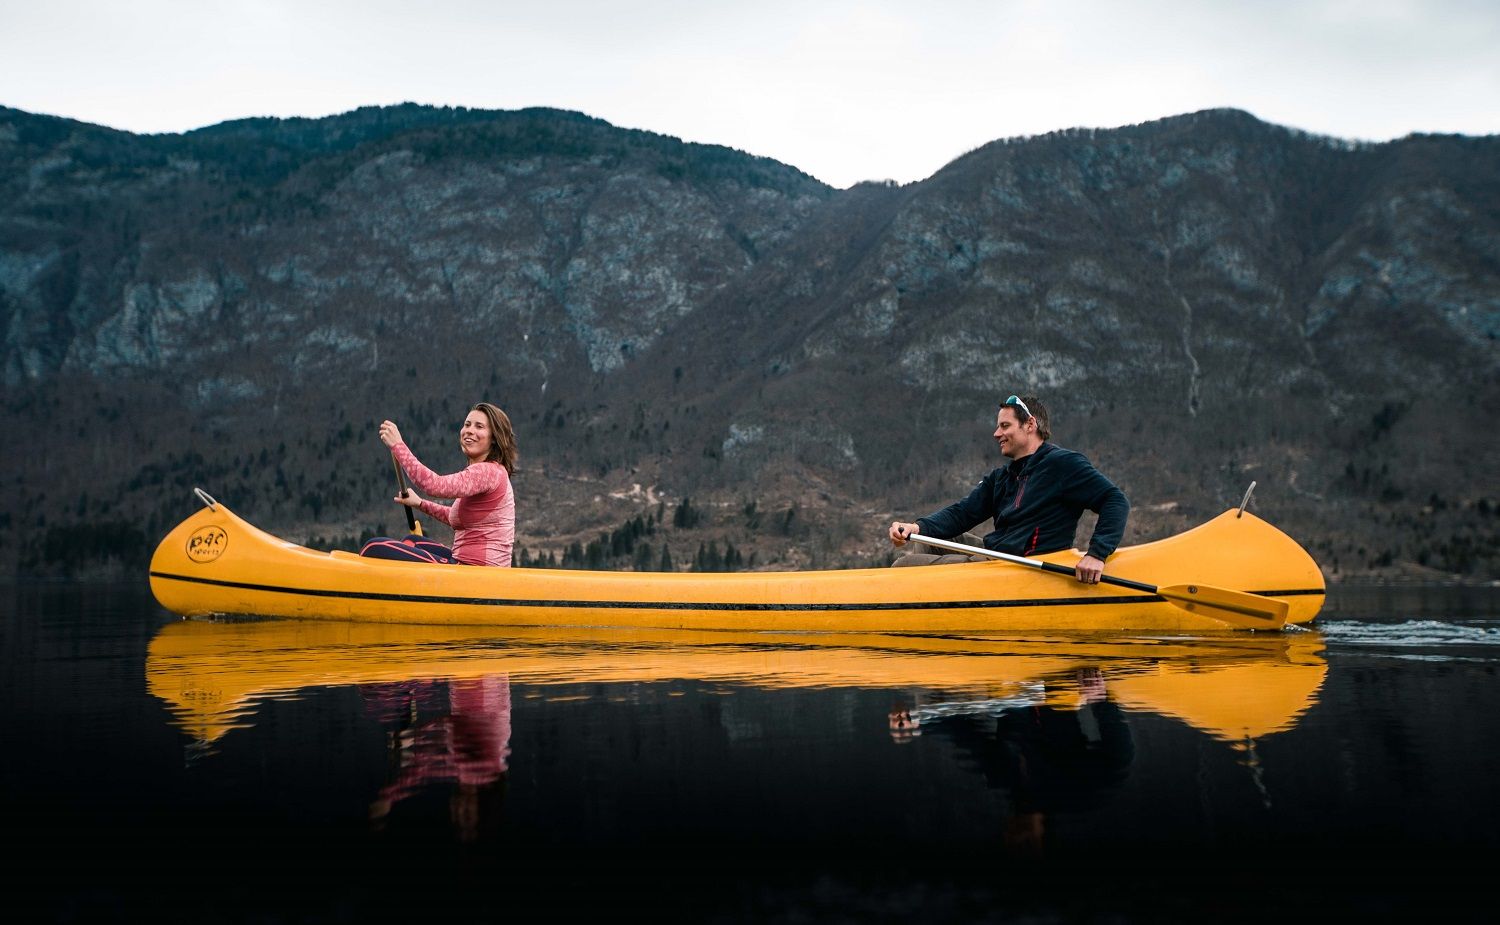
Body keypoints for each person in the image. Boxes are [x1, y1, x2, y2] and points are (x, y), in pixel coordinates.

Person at [888, 394, 1128, 583]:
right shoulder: (1002, 476)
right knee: (925, 537)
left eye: (1004, 425)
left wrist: (1097, 554)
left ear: (1029, 424)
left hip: (1020, 566)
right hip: (995, 554)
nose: (996, 434)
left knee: (903, 566)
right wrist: (915, 527)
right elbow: (963, 513)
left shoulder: (1064, 464)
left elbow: (1114, 500)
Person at [360, 402, 518, 566]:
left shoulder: (488, 472)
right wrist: (420, 503)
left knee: (373, 547)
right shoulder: (490, 471)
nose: (470, 430)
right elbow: (454, 517)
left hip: (474, 570)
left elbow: (434, 485)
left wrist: (398, 446)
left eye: (479, 426)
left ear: (494, 438)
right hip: (468, 564)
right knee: (412, 541)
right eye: (467, 424)